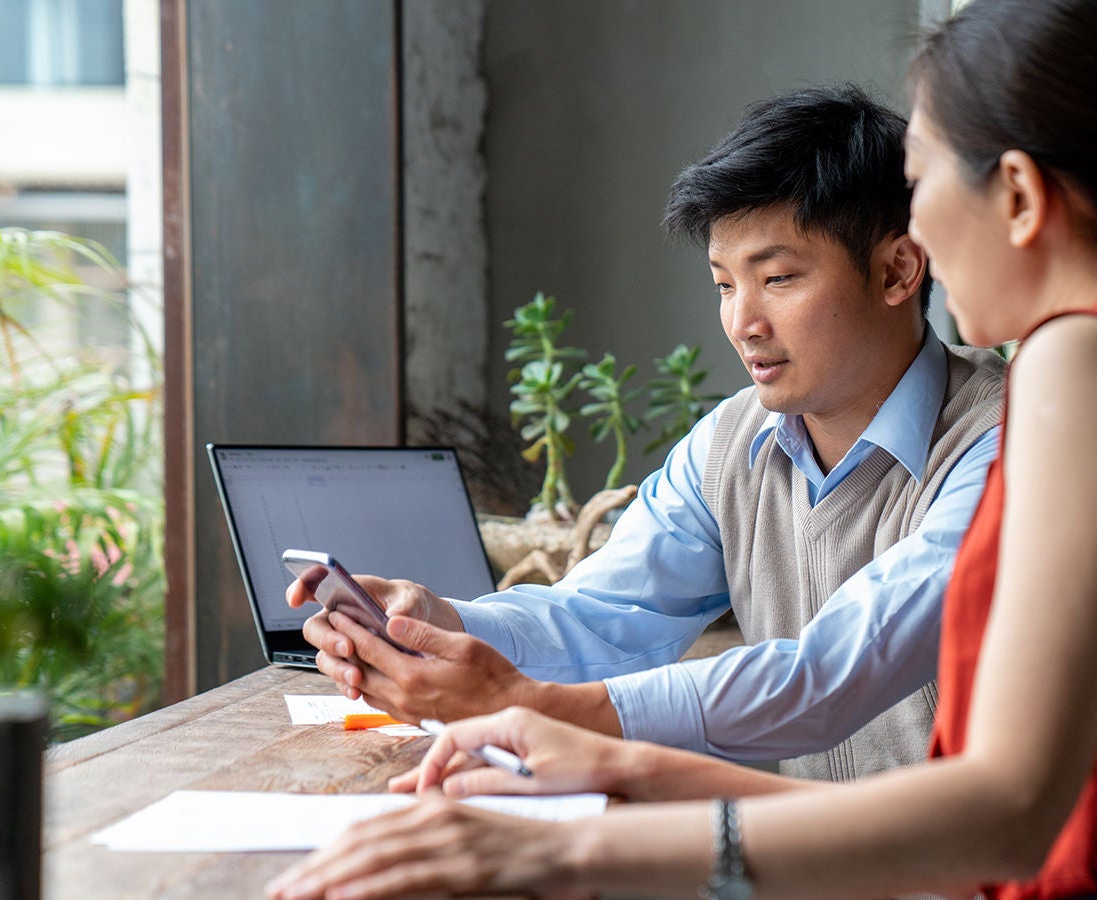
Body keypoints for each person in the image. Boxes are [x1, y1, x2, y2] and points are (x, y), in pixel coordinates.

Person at [266, 1, 1097, 898]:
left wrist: (561, 852)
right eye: (726, 284)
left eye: (918, 183)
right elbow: (998, 818)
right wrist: (603, 756)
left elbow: (996, 815)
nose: (919, 235)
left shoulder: (1080, 368)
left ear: (1014, 194)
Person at [289, 84, 1006, 780]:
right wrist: (440, 627)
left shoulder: (1001, 441)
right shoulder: (733, 442)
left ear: (897, 270)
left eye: (779, 278)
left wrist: (528, 704)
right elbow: (602, 616)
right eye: (724, 283)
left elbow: (832, 673)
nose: (742, 323)